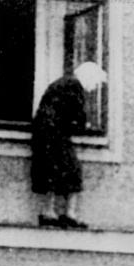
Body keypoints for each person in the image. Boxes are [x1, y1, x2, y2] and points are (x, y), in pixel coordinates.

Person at [31, 60, 107, 229]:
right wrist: (85, 125)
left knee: (51, 171)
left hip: (45, 133)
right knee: (72, 171)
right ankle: (68, 214)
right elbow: (78, 115)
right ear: (89, 77)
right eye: (96, 83)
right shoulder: (74, 86)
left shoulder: (64, 83)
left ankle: (49, 212)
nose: (94, 88)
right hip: (54, 134)